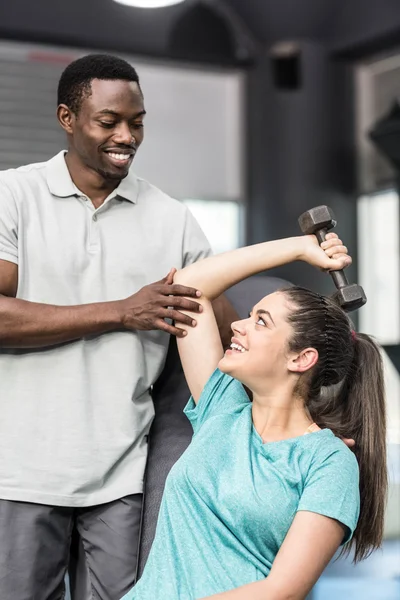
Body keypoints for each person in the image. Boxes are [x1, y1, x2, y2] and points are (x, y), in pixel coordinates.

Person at [0, 54, 237, 600]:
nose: (126, 136)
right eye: (109, 122)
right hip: (20, 472)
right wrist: (121, 311)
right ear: (67, 117)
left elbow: (219, 317)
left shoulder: (172, 218)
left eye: (138, 121)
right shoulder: (14, 196)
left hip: (120, 477)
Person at [123, 231, 388, 600]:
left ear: (301, 358)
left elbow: (282, 590)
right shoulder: (222, 408)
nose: (238, 325)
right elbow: (189, 285)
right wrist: (299, 248)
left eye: (260, 321)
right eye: (249, 315)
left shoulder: (329, 463)